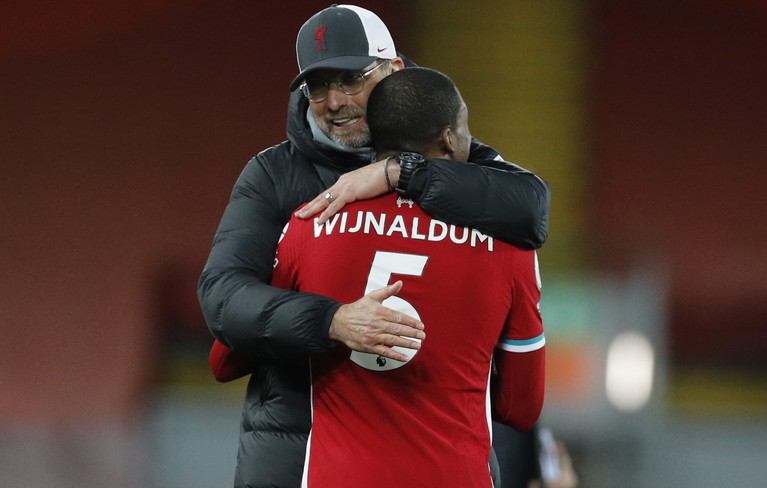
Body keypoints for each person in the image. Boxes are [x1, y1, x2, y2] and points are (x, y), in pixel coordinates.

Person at [198, 4, 550, 487]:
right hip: (294, 457)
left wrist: (399, 172)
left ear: (394, 71)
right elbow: (222, 298)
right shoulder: (274, 175)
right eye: (317, 86)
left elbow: (533, 206)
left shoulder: (457, 164)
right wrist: (332, 320)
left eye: (351, 78)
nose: (335, 101)